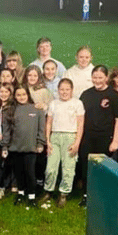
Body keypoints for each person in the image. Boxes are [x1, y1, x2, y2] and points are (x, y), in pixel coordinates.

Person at [78, 65, 118, 208]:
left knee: (102, 168)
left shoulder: (115, 96)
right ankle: (86, 196)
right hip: (87, 137)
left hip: (105, 138)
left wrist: (115, 141)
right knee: (86, 167)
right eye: (94, 77)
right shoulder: (85, 95)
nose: (97, 80)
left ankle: (102, 196)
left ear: (106, 78)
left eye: (100, 77)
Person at [0, 86, 46, 207]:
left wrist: (40, 143)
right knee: (19, 173)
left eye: (24, 94)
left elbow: (41, 129)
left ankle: (31, 196)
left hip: (31, 148)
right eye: (18, 95)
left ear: (28, 95)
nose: (21, 97)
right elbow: (6, 131)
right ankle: (20, 194)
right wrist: (5, 146)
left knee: (30, 173)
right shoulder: (10, 110)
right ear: (14, 97)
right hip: (15, 148)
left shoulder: (37, 109)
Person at [42, 78, 84, 208]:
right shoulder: (54, 103)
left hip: (70, 137)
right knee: (51, 168)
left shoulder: (77, 103)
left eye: (67, 89)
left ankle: (63, 193)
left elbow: (80, 124)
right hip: (55, 137)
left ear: (72, 90)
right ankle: (48, 191)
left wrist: (77, 142)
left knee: (68, 168)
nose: (64, 92)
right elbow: (48, 123)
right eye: (62, 89)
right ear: (58, 90)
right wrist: (48, 140)